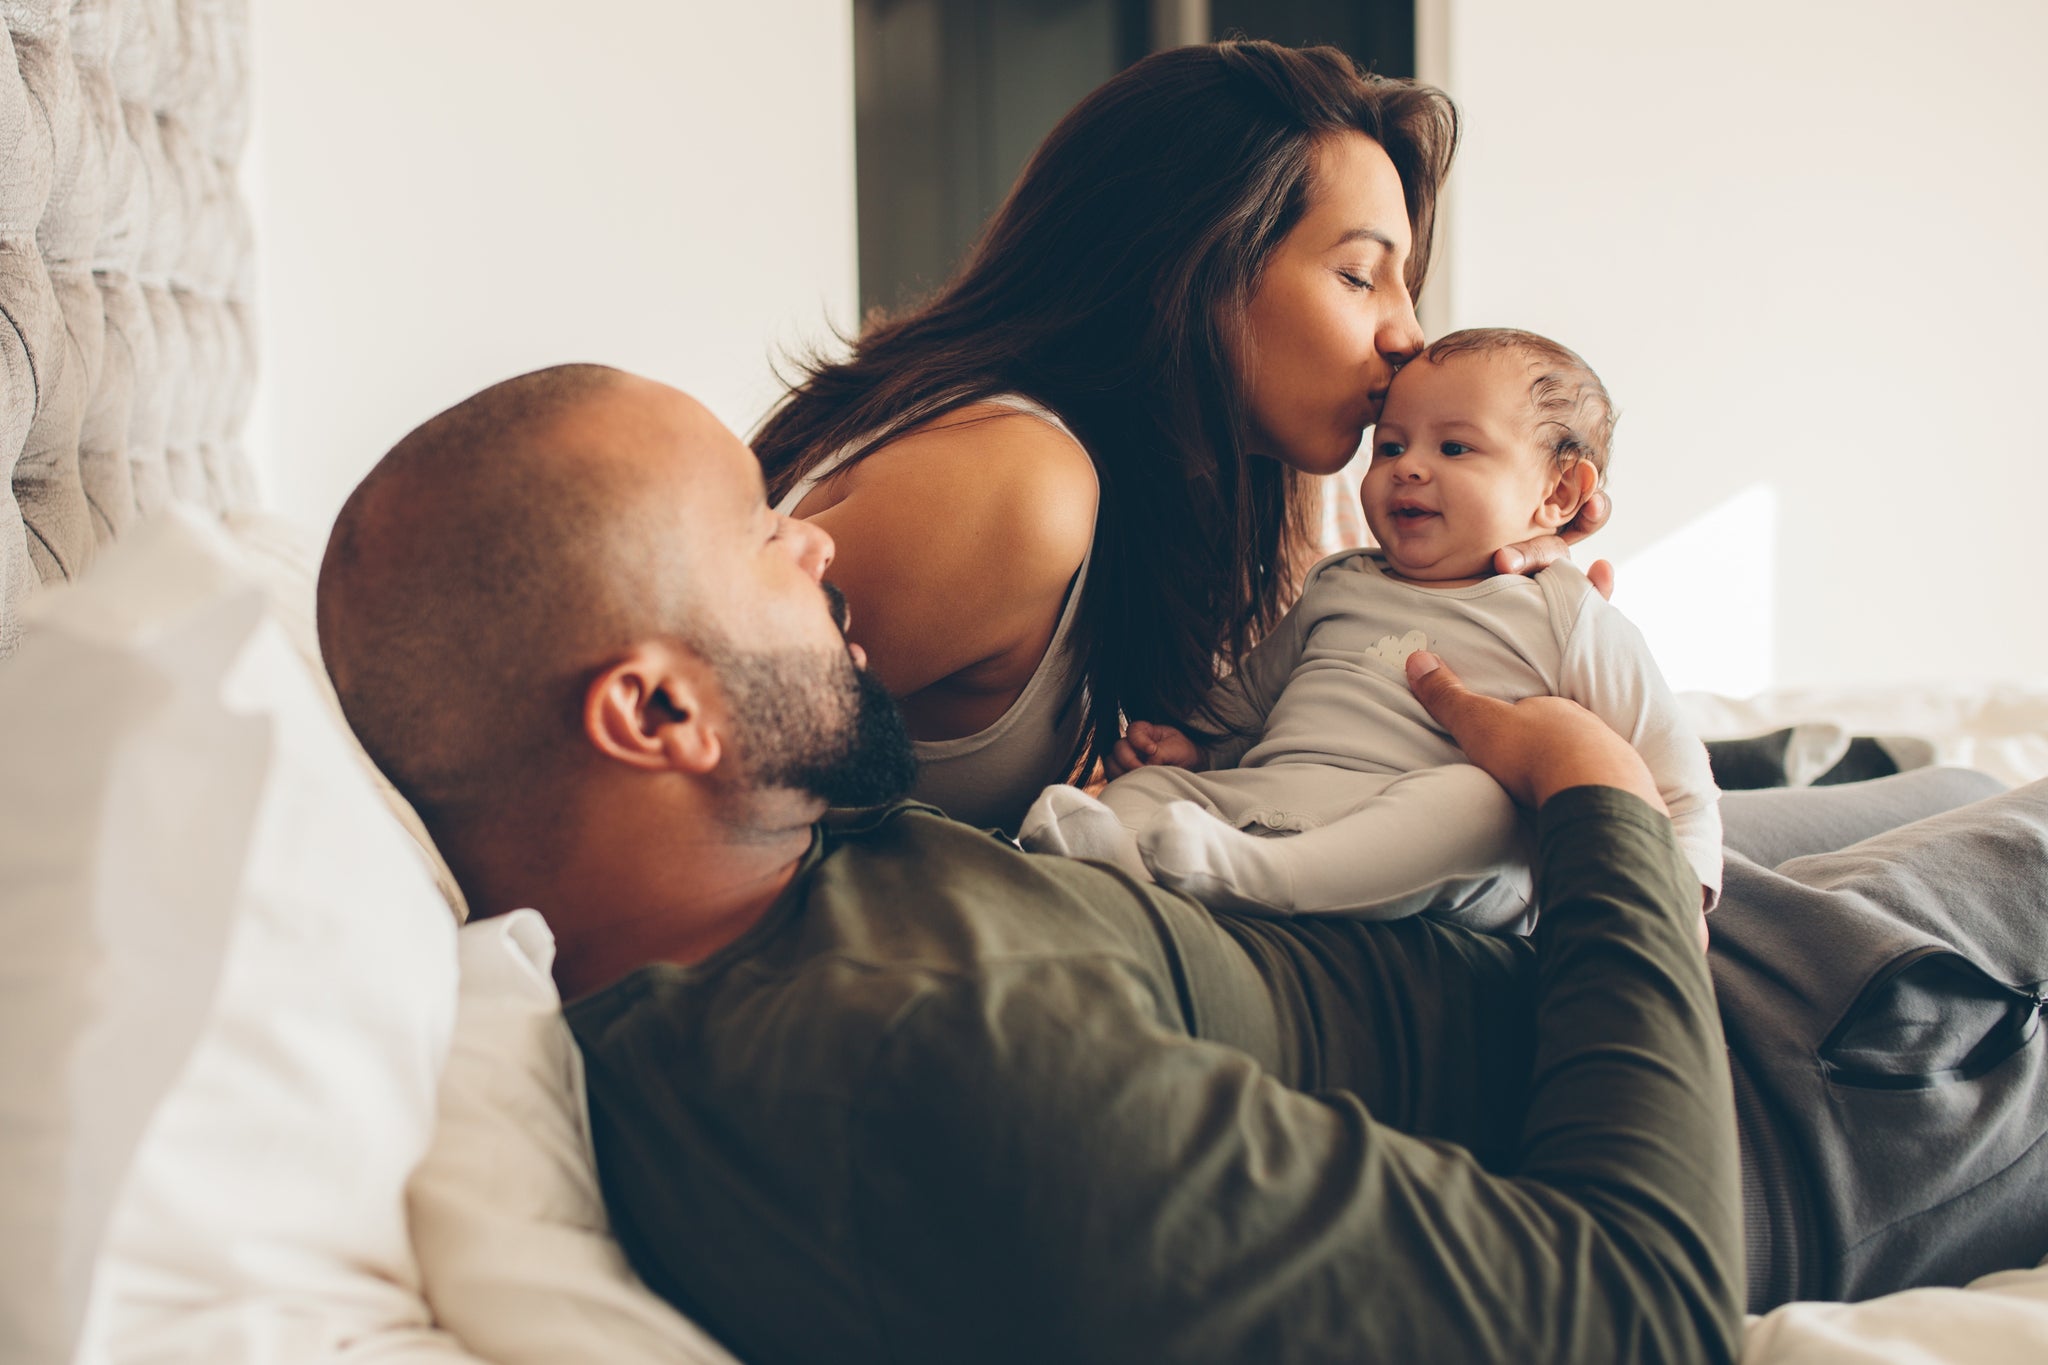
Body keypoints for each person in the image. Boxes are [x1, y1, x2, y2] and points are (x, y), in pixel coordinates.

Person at [319, 366, 2048, 1365]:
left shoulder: (764, 879)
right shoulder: (918, 1073)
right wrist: (1594, 798)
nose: (822, 541)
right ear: (651, 709)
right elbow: (1638, 1317)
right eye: (764, 542)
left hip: (1551, 946)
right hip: (1766, 1089)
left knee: (1970, 773)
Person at [751, 41, 1614, 836]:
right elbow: (668, 770)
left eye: (1405, 285)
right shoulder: (1016, 484)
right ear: (1191, 266)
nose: (1411, 337)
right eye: (1359, 275)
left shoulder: (1187, 497)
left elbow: (1290, 766)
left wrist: (1491, 608)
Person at [1021, 328, 1720, 931]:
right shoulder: (1340, 580)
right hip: (1279, 797)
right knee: (1155, 794)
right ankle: (1112, 856)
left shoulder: (1564, 613)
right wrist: (1191, 747)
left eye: (1453, 448)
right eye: (1389, 447)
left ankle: (1260, 876)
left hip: (1420, 838)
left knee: (1478, 804)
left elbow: (1673, 768)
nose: (1407, 467)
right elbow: (1252, 702)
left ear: (1558, 494)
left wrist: (1681, 892)